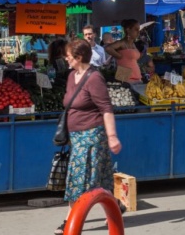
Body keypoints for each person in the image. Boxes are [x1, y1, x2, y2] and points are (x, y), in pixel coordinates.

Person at [55, 38, 122, 235]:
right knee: (96, 178)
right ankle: (115, 206)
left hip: (92, 135)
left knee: (82, 178)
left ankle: (70, 221)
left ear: (78, 57)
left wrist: (112, 136)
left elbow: (106, 109)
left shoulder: (95, 78)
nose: (66, 60)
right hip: (76, 137)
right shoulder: (71, 76)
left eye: (68, 57)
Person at [103, 19, 143, 84]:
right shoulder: (121, 43)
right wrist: (119, 56)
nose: (138, 32)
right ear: (128, 30)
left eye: (139, 30)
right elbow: (108, 48)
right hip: (124, 75)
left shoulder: (133, 44)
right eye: (136, 29)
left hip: (136, 76)